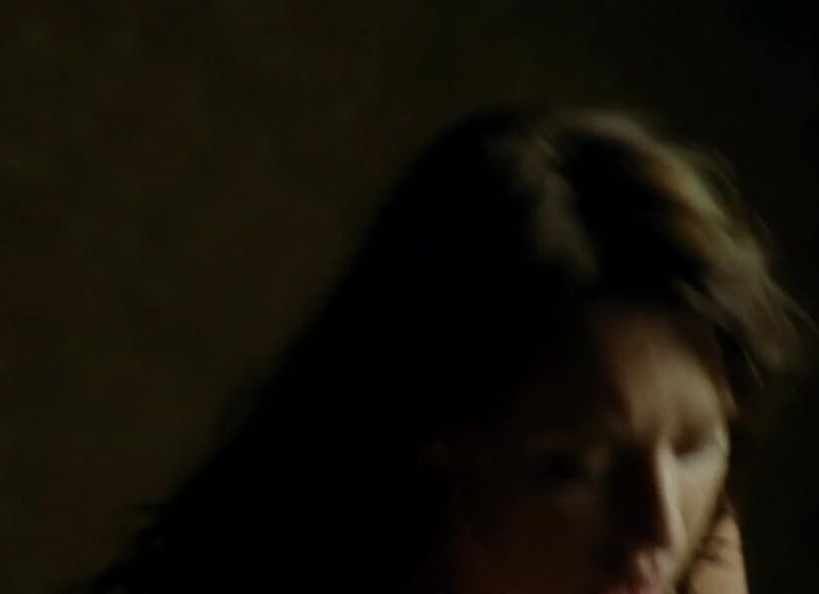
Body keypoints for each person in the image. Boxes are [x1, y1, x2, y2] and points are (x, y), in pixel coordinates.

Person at [90, 110, 806, 594]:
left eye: (694, 447)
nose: (661, 528)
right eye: (573, 468)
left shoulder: (690, 559)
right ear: (440, 434)